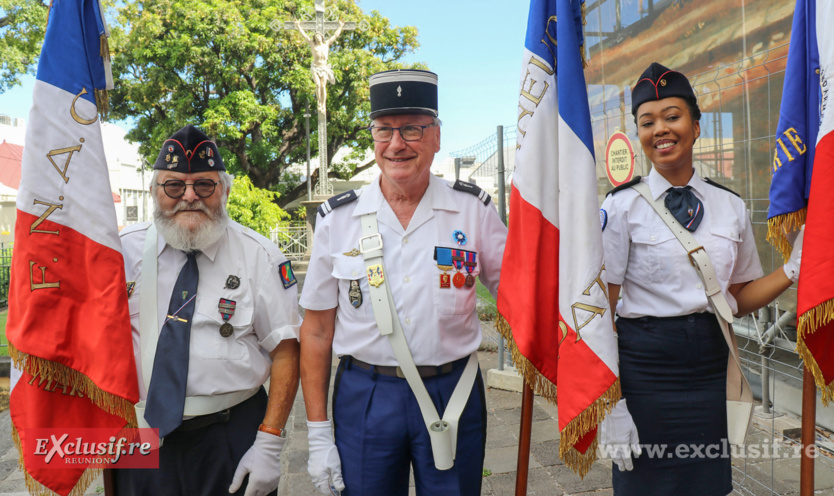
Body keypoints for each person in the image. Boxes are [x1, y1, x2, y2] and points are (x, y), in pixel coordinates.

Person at [598, 62, 804, 495]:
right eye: (647, 121)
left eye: (672, 116)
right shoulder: (621, 208)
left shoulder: (729, 205)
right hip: (644, 371)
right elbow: (601, 309)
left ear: (695, 125)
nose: (660, 130)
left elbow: (737, 297)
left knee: (706, 486)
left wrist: (791, 271)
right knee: (644, 487)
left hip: (711, 369)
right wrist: (610, 403)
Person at [298, 69, 507, 496]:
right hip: (365, 397)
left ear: (436, 135)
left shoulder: (473, 211)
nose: (397, 144)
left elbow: (518, 300)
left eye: (411, 128)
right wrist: (318, 432)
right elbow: (317, 330)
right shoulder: (337, 219)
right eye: (384, 130)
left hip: (455, 390)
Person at [115, 125, 301, 496]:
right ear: (154, 192)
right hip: (140, 435)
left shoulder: (260, 256)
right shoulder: (120, 254)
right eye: (173, 186)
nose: (189, 197)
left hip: (231, 435)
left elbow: (286, 351)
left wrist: (269, 441)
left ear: (225, 190)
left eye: (204, 185)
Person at [294, 19, 345, 113]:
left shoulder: (326, 44)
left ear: (322, 37)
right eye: (316, 36)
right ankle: (319, 102)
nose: (317, 38)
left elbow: (335, 35)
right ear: (314, 38)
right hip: (315, 67)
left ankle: (323, 104)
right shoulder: (313, 45)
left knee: (323, 86)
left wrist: (340, 26)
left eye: (319, 36)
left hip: (324, 67)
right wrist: (298, 26)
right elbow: (304, 35)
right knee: (317, 84)